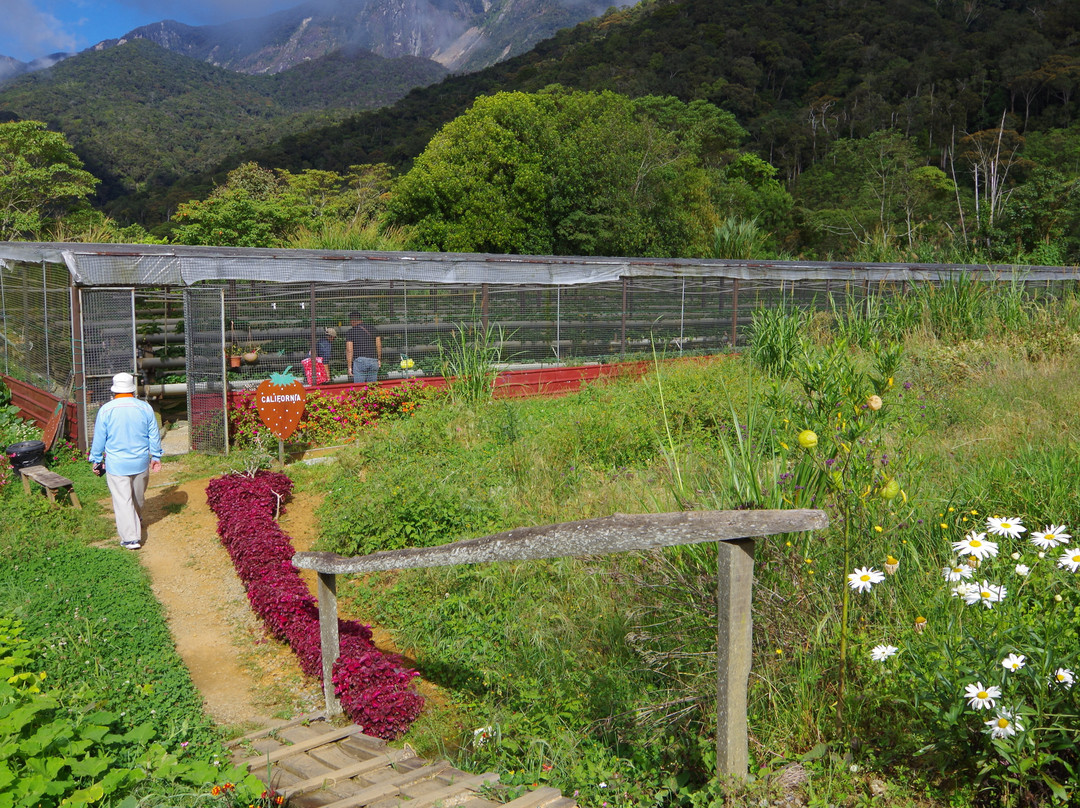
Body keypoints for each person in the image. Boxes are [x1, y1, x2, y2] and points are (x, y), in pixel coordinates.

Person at [89, 372, 162, 550]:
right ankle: (136, 520)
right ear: (132, 390)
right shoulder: (145, 408)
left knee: (123, 501)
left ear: (114, 390)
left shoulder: (106, 409)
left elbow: (99, 438)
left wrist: (96, 459)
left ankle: (131, 539)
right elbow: (154, 434)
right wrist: (156, 456)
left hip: (117, 464)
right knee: (138, 497)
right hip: (141, 462)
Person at [345, 311, 381, 384]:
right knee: (372, 387)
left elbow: (349, 350)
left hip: (359, 361)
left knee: (359, 388)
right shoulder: (373, 329)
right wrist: (379, 359)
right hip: (373, 360)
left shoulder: (351, 332)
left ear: (352, 321)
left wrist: (349, 367)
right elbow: (379, 345)